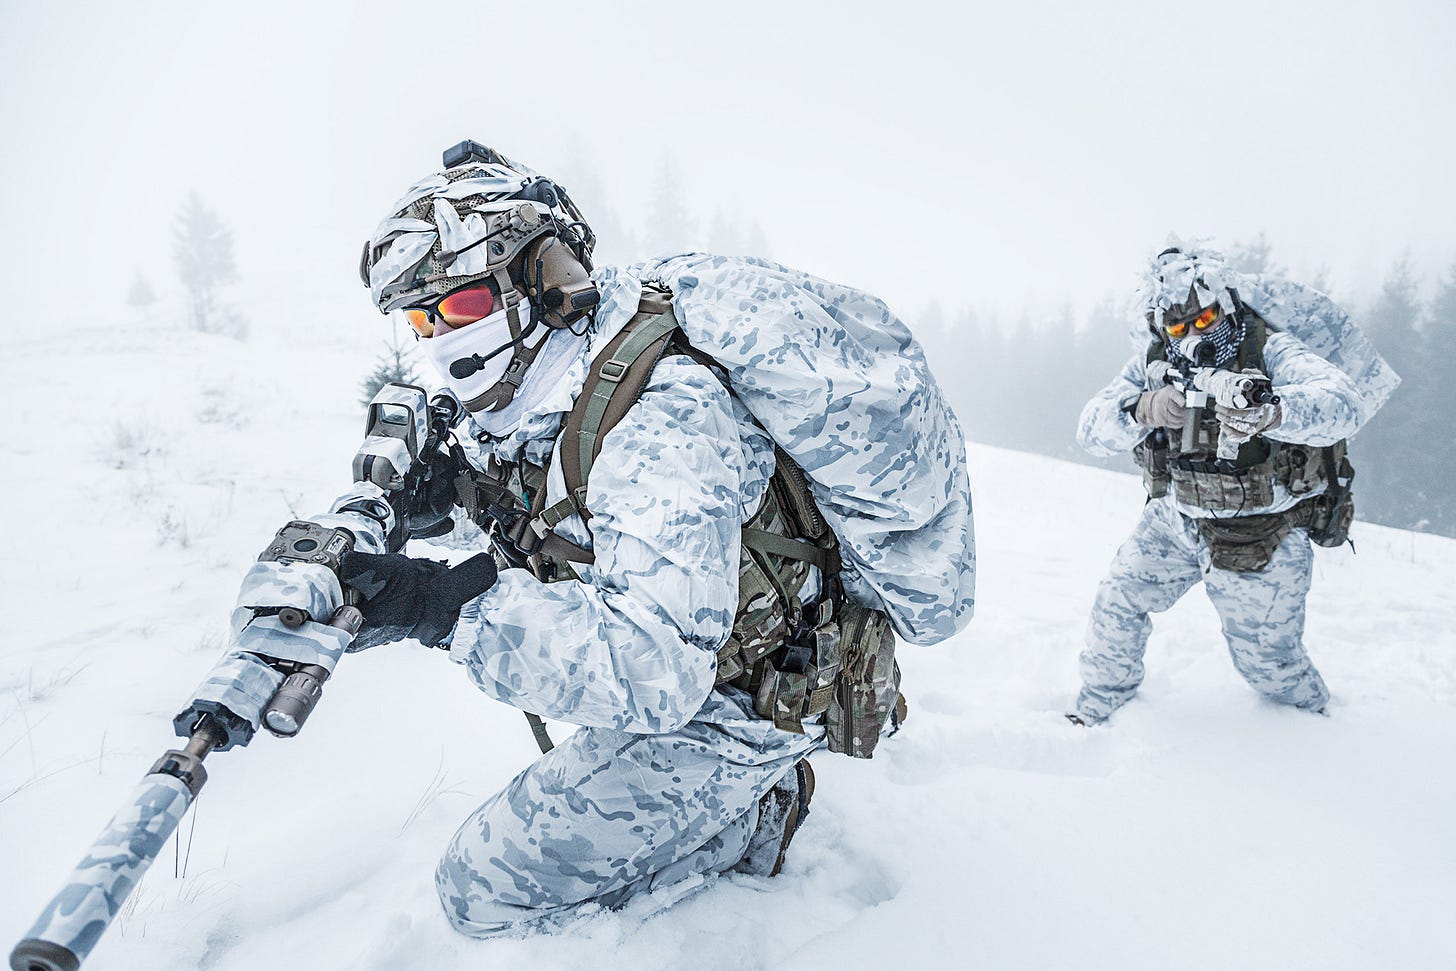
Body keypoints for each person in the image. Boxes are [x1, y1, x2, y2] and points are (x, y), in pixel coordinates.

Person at [234, 141, 976, 936]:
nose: (437, 337)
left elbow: (655, 674)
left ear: (540, 279)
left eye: (457, 307)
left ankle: (760, 813)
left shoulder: (661, 419)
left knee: (479, 889)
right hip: (702, 655)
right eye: (421, 317)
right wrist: (442, 501)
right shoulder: (549, 370)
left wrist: (440, 608)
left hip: (744, 694)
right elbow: (548, 506)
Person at [1069, 246, 1397, 726]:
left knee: (1270, 666)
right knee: (1117, 604)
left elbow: (1342, 403)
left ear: (1224, 304)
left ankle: (1317, 730)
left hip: (1263, 534)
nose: (1194, 335)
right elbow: (1089, 430)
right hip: (1177, 518)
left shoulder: (1269, 348)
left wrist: (1275, 411)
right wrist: (1141, 408)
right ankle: (1097, 707)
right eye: (1178, 328)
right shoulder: (1155, 361)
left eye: (1204, 319)